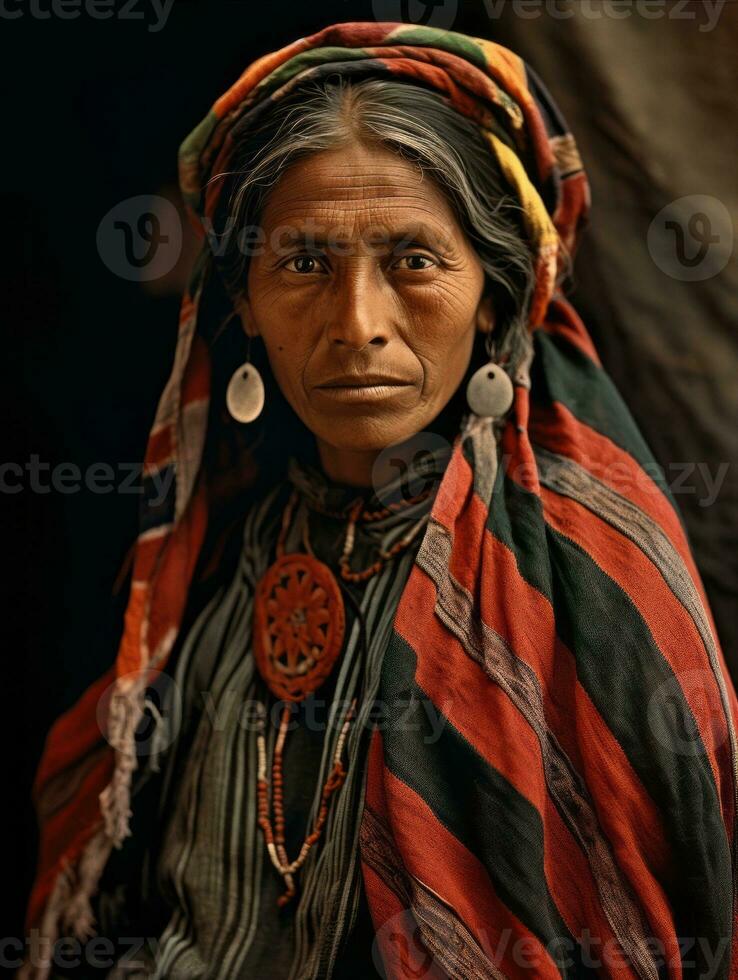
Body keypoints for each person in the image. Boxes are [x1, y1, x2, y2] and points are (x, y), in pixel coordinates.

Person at [20, 21, 738, 980]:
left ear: (498, 292)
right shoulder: (216, 558)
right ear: (242, 297)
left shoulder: (597, 591)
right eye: (305, 264)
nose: (357, 325)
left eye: (414, 261)